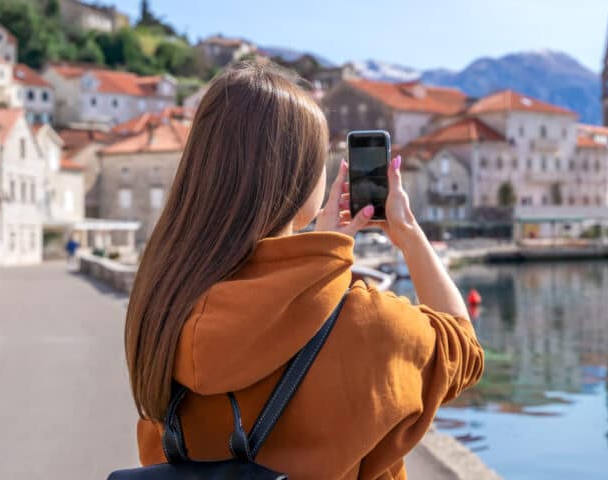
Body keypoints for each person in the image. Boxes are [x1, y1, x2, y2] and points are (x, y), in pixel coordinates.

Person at [124, 61, 484, 479]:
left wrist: (319, 258)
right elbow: (464, 348)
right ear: (299, 176)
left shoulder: (160, 304)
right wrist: (407, 233)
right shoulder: (365, 323)